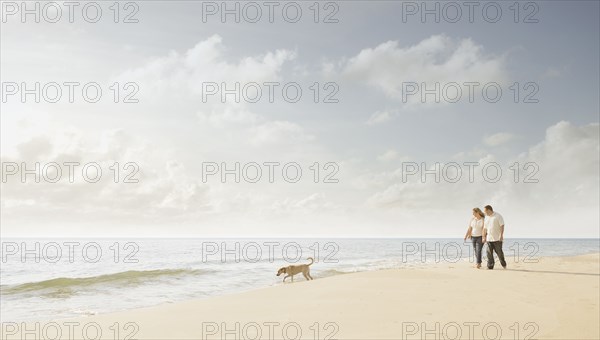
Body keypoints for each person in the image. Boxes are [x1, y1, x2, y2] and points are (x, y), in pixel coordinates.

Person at [482, 205, 506, 269]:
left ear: (489, 210)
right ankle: (490, 266)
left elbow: (502, 226)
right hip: (489, 238)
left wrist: (501, 235)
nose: (484, 213)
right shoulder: (486, 218)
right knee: (488, 253)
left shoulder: (498, 216)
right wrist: (484, 237)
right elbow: (485, 228)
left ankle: (503, 264)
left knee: (499, 253)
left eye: (485, 211)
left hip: (497, 238)